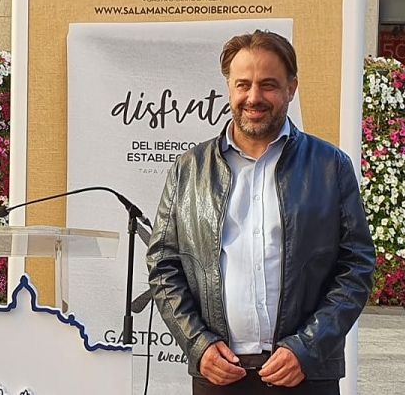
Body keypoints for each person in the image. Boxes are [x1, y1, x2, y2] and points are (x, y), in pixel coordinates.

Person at [147, 30, 375, 395]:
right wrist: (197, 345)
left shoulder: (330, 166)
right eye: (243, 84)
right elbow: (163, 266)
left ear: (291, 88)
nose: (254, 97)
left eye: (268, 85)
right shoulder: (188, 169)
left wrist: (308, 348)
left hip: (303, 372)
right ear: (229, 88)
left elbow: (357, 266)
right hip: (219, 372)